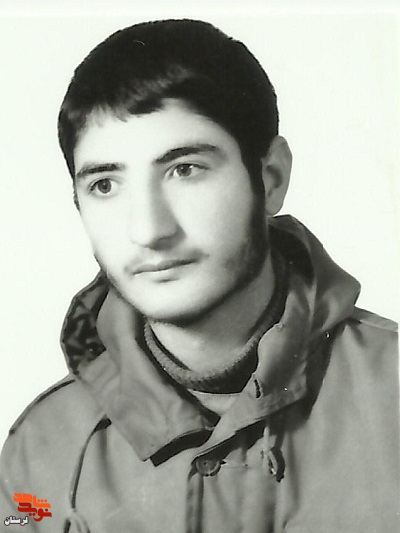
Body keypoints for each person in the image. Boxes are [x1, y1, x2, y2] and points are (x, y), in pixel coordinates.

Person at [0, 18, 398, 533]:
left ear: (271, 178)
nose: (148, 230)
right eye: (105, 185)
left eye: (184, 169)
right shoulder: (42, 450)